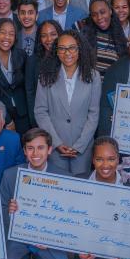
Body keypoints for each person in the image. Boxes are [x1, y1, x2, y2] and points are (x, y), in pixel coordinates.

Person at [0, 128, 70, 259]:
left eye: (40, 148)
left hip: (50, 240)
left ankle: (39, 258)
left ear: (49, 150)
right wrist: (10, 212)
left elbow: (69, 218)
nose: (35, 153)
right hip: (20, 236)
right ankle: (25, 258)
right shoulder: (10, 175)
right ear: (24, 151)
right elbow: (1, 208)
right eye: (30, 148)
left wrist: (51, 238)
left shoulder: (65, 178)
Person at [71, 137, 130, 259]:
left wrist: (128, 250)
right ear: (93, 160)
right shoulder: (78, 181)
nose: (105, 165)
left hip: (118, 249)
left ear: (118, 159)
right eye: (99, 159)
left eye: (111, 159)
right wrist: (79, 246)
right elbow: (70, 219)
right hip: (88, 246)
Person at [34, 29, 101, 175]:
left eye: (72, 48)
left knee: (81, 185)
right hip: (55, 147)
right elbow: (40, 112)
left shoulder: (93, 76)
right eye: (62, 48)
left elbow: (94, 114)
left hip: (83, 148)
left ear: (80, 49)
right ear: (56, 52)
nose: (67, 53)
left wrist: (79, 145)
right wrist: (56, 142)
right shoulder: (45, 76)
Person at [25, 19, 61, 130]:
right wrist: (34, 121)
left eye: (53, 34)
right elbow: (30, 93)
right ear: (39, 39)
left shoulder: (67, 58)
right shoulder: (32, 61)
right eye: (44, 36)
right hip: (40, 118)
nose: (49, 39)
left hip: (63, 118)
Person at [81, 0, 128, 77]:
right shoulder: (83, 32)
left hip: (111, 83)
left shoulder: (119, 35)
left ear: (110, 11)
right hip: (89, 83)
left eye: (102, 12)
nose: (99, 17)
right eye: (94, 15)